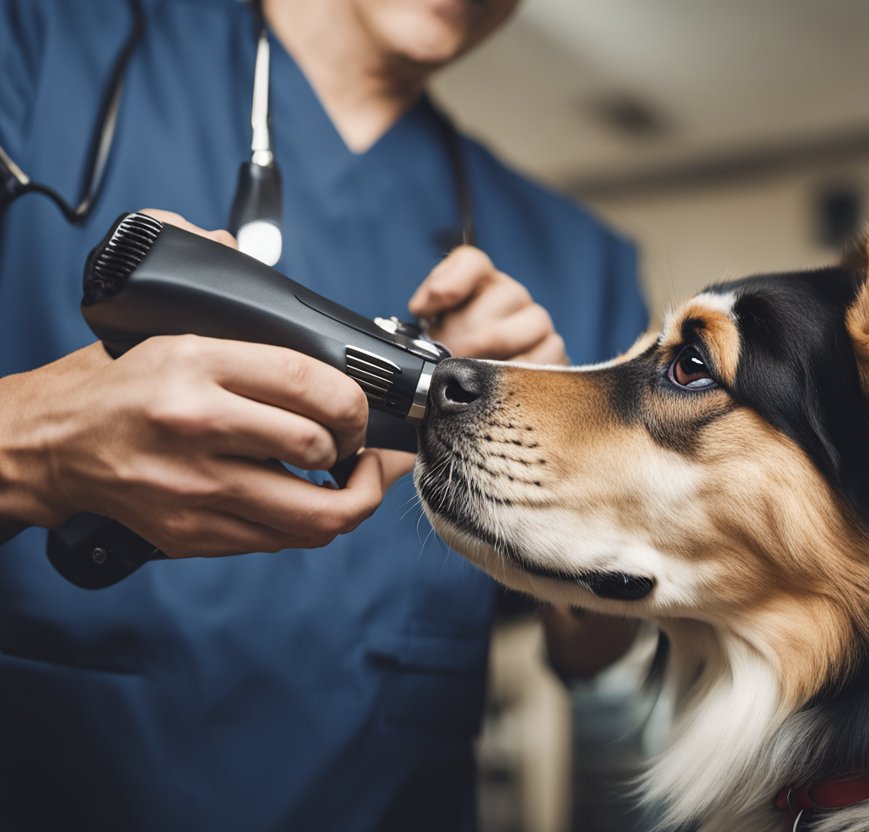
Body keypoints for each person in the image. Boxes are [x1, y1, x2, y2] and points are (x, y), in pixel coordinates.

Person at [0, 0, 648, 829]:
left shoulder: (576, 256)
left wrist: (559, 484)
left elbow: (594, 650)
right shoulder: (39, 52)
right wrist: (35, 449)